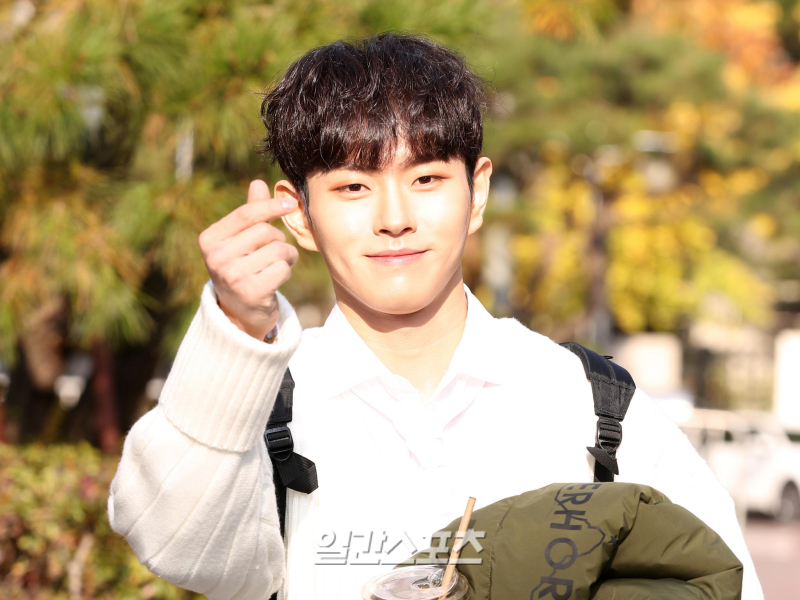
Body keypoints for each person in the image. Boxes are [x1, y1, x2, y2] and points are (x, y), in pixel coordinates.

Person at [108, 32, 763, 600]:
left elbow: (720, 577)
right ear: (299, 214)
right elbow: (176, 544)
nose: (394, 218)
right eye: (353, 187)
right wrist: (235, 333)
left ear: (476, 192)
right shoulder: (263, 412)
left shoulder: (595, 407)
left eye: (425, 180)